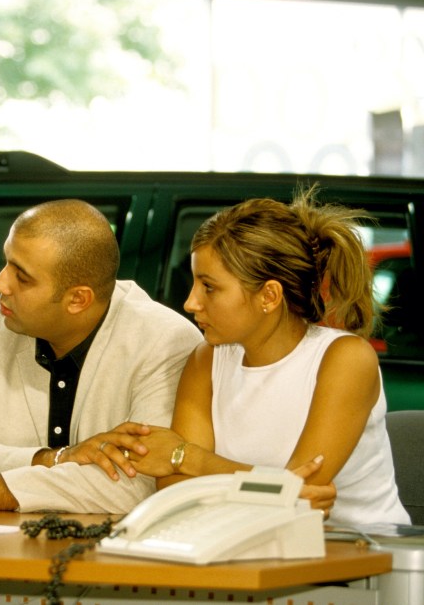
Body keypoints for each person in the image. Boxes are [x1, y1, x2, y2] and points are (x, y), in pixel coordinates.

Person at [126, 191, 409, 526]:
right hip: (245, 544)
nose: (190, 303)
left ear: (269, 296)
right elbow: (174, 490)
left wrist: (189, 458)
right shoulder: (206, 360)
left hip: (364, 559)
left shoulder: (346, 358)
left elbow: (298, 497)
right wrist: (273, 488)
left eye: (209, 287)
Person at [0, 199, 204, 513]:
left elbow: (140, 484)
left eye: (22, 278)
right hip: (3, 547)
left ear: (78, 299)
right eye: (6, 262)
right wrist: (55, 458)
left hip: (109, 554)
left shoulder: (164, 341)